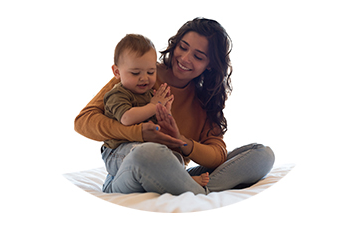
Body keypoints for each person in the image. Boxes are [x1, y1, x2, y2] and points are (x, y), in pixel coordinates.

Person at [74, 17, 275, 195]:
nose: (185, 58)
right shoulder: (141, 75)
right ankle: (199, 190)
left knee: (262, 155)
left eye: (198, 56)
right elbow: (83, 122)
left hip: (172, 170)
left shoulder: (203, 100)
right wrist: (139, 133)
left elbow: (218, 154)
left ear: (210, 65)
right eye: (183, 47)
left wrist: (180, 141)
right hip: (137, 163)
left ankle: (192, 188)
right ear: (175, 44)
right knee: (148, 152)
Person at [103, 34, 210, 187]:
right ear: (117, 72)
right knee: (145, 153)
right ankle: (184, 182)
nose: (144, 78)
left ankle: (176, 177)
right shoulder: (117, 93)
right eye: (135, 73)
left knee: (173, 157)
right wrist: (153, 106)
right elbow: (126, 118)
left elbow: (156, 127)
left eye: (151, 72)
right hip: (116, 152)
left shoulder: (150, 93)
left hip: (143, 150)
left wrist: (165, 113)